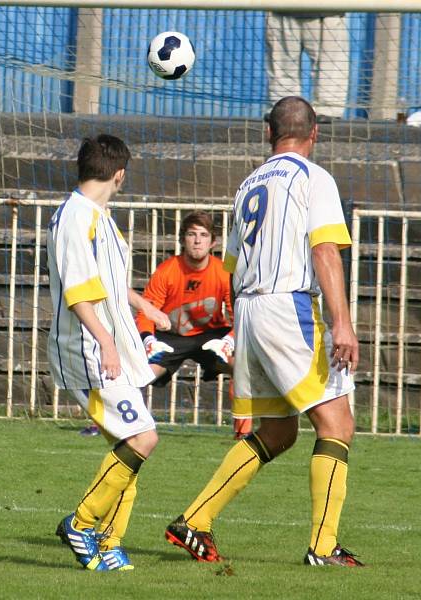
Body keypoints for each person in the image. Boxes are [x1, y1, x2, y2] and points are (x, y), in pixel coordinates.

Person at [164, 96, 363, 567]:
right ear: (315, 134)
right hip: (287, 304)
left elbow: (228, 265)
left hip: (250, 309)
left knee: (277, 433)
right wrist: (343, 323)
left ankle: (195, 519)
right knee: (338, 423)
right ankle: (322, 546)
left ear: (266, 132)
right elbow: (325, 253)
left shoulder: (248, 184)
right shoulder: (313, 178)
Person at [47, 134, 171, 571]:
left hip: (104, 346)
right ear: (119, 173)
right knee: (143, 438)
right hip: (88, 350)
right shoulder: (75, 218)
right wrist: (106, 341)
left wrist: (143, 304)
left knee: (128, 446)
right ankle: (81, 524)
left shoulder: (98, 216)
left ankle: (109, 544)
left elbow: (107, 282)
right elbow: (79, 293)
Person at [134, 210, 251, 439]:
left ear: (213, 242)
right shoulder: (166, 271)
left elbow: (240, 316)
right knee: (139, 374)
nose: (197, 240)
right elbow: (146, 312)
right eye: (191, 234)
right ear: (182, 240)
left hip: (211, 337)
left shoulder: (223, 272)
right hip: (172, 337)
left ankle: (243, 434)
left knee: (243, 368)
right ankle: (118, 426)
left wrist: (230, 339)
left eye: (203, 235)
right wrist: (148, 339)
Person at [265, 12, 349, 121]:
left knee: (330, 65)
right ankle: (283, 107)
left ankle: (328, 110)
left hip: (328, 11)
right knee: (281, 65)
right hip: (282, 9)